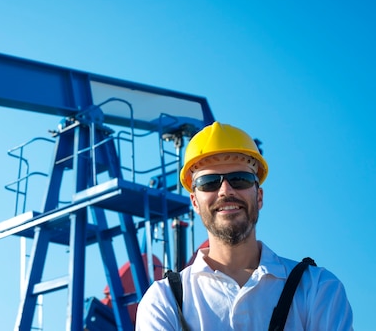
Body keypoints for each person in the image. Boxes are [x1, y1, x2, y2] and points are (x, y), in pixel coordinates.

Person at [135, 121, 353, 330]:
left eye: (239, 179)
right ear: (195, 203)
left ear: (259, 196)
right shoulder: (163, 301)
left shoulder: (317, 289)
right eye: (209, 182)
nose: (225, 190)